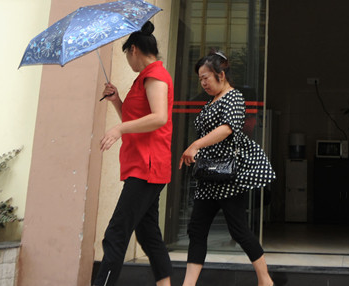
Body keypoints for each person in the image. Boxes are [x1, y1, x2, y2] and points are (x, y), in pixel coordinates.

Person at [178, 50, 277, 286]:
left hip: (229, 176)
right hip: (208, 176)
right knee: (196, 229)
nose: (203, 83)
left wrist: (195, 145)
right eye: (200, 79)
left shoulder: (234, 98)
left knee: (238, 230)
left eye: (206, 78)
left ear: (221, 75)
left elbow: (228, 128)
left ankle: (265, 280)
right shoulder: (210, 101)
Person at [92, 21, 174, 286]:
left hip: (147, 167)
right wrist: (117, 100)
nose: (127, 60)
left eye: (126, 54)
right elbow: (138, 118)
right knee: (148, 234)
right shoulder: (146, 77)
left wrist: (118, 129)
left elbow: (159, 117)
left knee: (116, 232)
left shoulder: (155, 76)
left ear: (134, 50)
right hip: (145, 166)